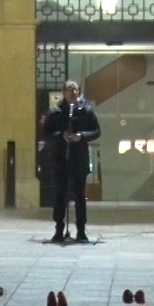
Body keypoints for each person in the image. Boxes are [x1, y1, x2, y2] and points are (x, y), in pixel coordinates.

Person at [42, 80, 101, 244]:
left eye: (75, 89)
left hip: (78, 159)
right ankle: (59, 230)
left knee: (80, 196)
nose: (72, 92)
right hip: (60, 159)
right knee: (60, 195)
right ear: (63, 92)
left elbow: (96, 131)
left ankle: (81, 231)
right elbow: (46, 135)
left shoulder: (86, 111)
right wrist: (61, 136)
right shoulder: (55, 113)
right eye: (69, 89)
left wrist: (81, 136)